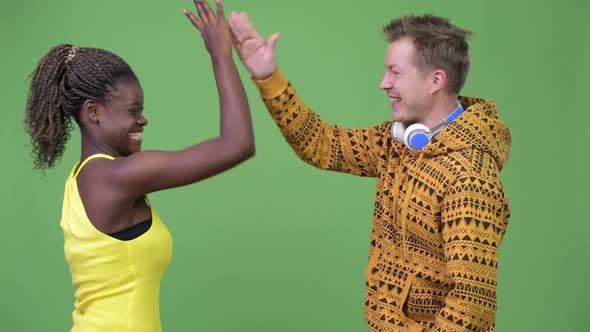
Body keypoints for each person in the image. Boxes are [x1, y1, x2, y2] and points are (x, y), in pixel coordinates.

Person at [228, 12, 511, 332]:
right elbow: (323, 144)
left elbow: (471, 309)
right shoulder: (401, 143)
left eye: (395, 72)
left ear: (435, 80)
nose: (383, 83)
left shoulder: (470, 178)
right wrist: (269, 77)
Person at [24, 0, 252, 331]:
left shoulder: (87, 177)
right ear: (94, 112)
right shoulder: (113, 177)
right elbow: (237, 144)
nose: (143, 119)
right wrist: (220, 55)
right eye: (133, 110)